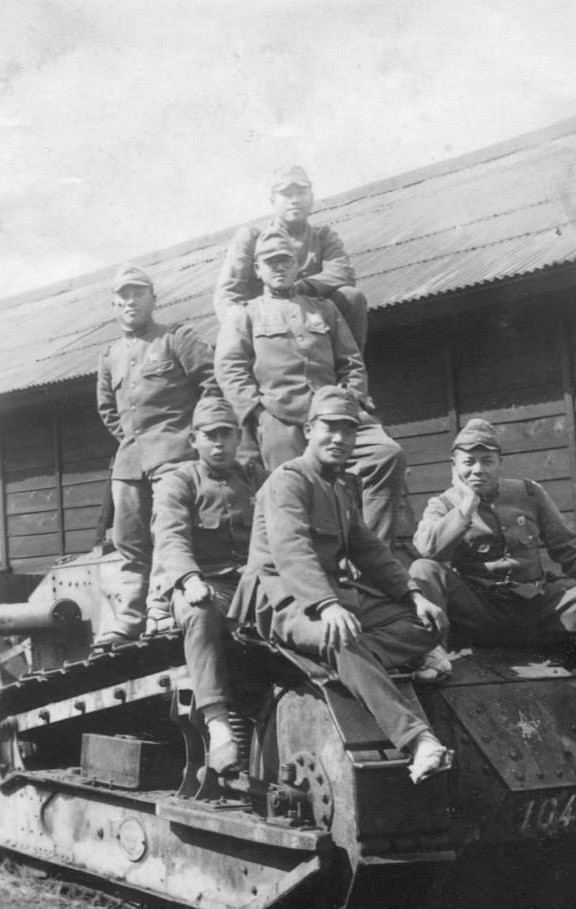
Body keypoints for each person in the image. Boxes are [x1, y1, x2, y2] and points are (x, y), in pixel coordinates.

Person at [230, 386, 453, 783]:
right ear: (309, 429)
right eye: (329, 428)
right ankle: (419, 741)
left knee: (429, 624)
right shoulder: (289, 480)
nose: (339, 439)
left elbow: (369, 550)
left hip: (333, 595)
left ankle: (360, 664)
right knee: (341, 640)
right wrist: (327, 606)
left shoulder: (340, 485)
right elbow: (291, 551)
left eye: (348, 431)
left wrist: (413, 594)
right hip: (283, 601)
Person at [215, 229, 405, 547]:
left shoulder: (324, 309)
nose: (279, 267)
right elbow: (230, 370)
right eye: (270, 262)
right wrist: (259, 414)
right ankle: (311, 564)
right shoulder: (244, 314)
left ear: (297, 266)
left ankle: (375, 555)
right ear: (257, 270)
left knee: (386, 455)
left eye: (285, 260)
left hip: (333, 415)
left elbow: (351, 362)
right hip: (281, 416)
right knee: (292, 488)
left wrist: (352, 404)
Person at [409, 418, 576, 652]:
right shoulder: (443, 504)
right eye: (468, 462)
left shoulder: (528, 493)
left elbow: (569, 548)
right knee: (423, 568)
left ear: (499, 463)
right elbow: (427, 549)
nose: (478, 470)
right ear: (454, 466)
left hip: (537, 604)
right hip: (482, 609)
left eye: (487, 461)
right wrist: (466, 507)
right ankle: (434, 656)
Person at [96, 264, 221, 645]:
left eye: (137, 294)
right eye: (123, 297)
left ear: (153, 298)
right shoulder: (110, 354)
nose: (130, 302)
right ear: (115, 305)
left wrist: (193, 436)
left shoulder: (177, 338)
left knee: (167, 532)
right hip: (131, 461)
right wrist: (133, 442)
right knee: (129, 540)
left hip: (176, 452)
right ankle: (129, 617)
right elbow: (107, 409)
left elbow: (212, 385)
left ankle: (161, 611)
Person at [152, 397, 266, 773]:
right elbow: (170, 538)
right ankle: (219, 726)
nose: (219, 444)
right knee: (198, 613)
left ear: (238, 438)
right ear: (193, 439)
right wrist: (188, 578)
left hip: (255, 582)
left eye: (226, 435)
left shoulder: (254, 477)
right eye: (210, 436)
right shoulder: (180, 481)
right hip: (205, 583)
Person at [213, 165, 368, 352]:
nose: (294, 200)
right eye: (286, 194)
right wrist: (240, 334)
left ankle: (350, 370)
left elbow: (343, 272)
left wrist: (298, 288)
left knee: (351, 296)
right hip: (267, 326)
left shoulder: (322, 236)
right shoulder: (252, 237)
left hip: (313, 321)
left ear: (311, 198)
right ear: (272, 199)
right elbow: (227, 294)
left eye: (301, 193)